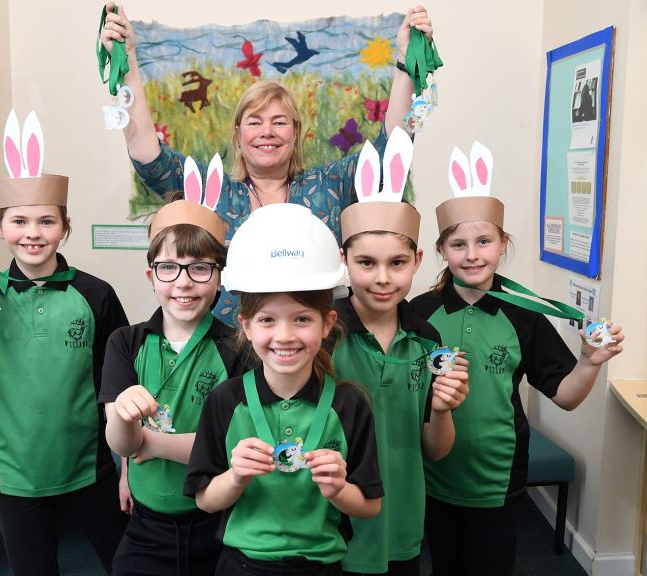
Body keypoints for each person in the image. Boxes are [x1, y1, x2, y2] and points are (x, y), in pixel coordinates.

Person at [98, 3, 435, 325]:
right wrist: (127, 62)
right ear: (238, 134)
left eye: (279, 121)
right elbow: (148, 156)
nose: (267, 132)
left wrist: (406, 63)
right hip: (229, 358)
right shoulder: (214, 195)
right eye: (255, 121)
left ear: (296, 132)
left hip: (316, 354)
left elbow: (392, 149)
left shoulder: (331, 184)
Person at [409, 142, 624, 576]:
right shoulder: (417, 313)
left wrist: (589, 362)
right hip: (431, 475)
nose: (472, 254)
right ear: (441, 251)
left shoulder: (524, 315)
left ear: (502, 243)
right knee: (443, 567)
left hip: (498, 478)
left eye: (484, 241)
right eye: (458, 244)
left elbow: (565, 396)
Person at [0, 137, 129, 576]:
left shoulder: (96, 295)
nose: (32, 233)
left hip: (91, 466)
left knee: (126, 563)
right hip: (17, 475)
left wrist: (127, 469)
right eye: (19, 221)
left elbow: (120, 392)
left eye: (45, 221)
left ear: (64, 226)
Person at [186, 204, 383, 576]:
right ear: (245, 326)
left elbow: (370, 505)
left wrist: (339, 488)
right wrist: (236, 476)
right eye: (267, 320)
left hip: (321, 566)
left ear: (328, 324)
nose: (285, 336)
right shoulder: (225, 401)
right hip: (242, 566)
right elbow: (204, 501)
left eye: (303, 319)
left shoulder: (350, 403)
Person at [332, 132, 469, 576]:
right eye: (366, 263)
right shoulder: (321, 335)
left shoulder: (429, 343)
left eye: (397, 263)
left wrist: (444, 410)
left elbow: (435, 449)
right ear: (343, 261)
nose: (382, 278)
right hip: (330, 527)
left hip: (402, 520)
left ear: (418, 259)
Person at [99, 181, 248, 575]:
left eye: (200, 268)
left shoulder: (239, 349)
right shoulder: (125, 343)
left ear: (220, 276)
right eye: (169, 268)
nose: (183, 282)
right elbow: (121, 444)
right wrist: (125, 424)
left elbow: (231, 450)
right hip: (147, 525)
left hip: (218, 523)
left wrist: (151, 442)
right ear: (151, 275)